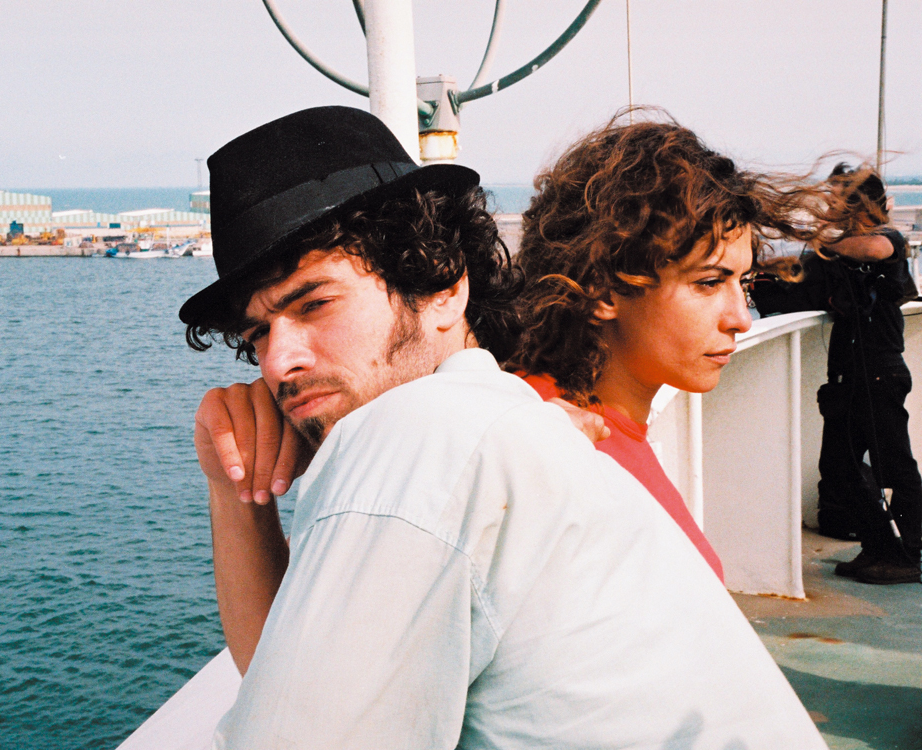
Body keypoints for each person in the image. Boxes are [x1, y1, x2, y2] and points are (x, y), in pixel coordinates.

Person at [183, 105, 828, 748]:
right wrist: (235, 483)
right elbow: (297, 677)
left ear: (441, 286)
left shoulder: (425, 431)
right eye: (258, 333)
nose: (278, 361)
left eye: (315, 304)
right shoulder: (498, 424)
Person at [510, 117, 831, 583]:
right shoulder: (551, 450)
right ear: (602, 290)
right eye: (709, 283)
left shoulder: (572, 425)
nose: (741, 318)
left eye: (742, 284)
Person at [752, 164, 921, 585]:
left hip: (880, 372)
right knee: (840, 471)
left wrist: (821, 242)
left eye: (833, 200)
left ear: (857, 205)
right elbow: (799, 286)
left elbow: (875, 249)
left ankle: (909, 555)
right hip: (849, 378)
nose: (826, 208)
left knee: (895, 467)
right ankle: (878, 547)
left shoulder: (887, 239)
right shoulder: (839, 253)